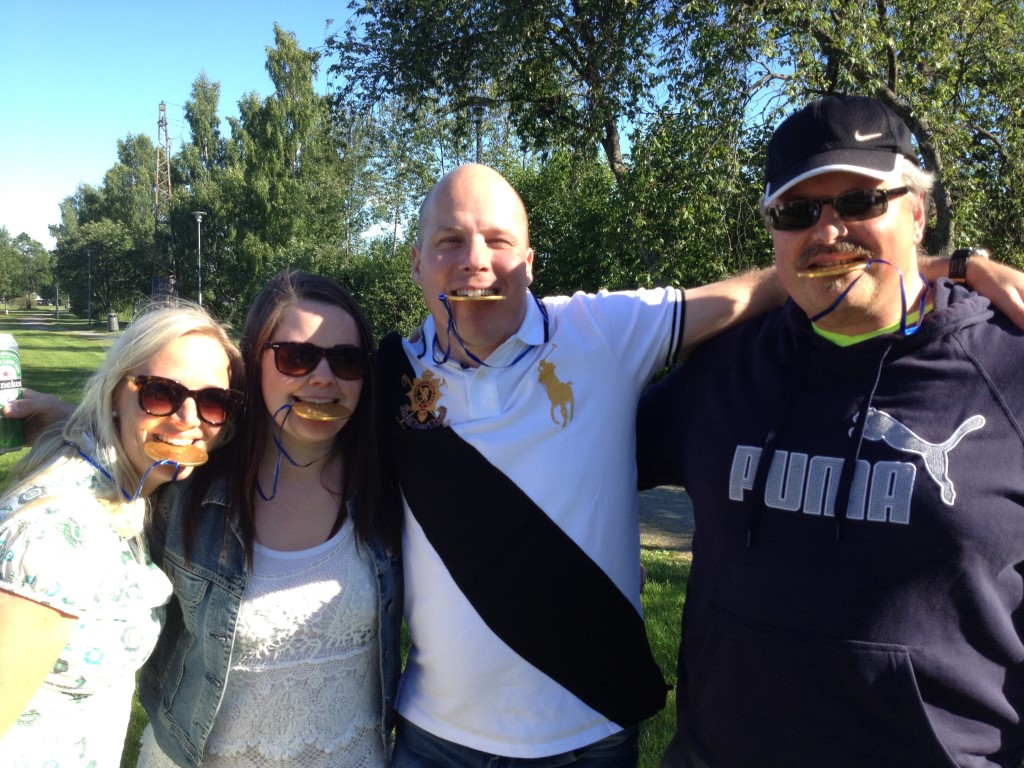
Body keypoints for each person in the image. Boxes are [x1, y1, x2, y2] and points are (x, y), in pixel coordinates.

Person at [637, 94, 1024, 768]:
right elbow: (576, 456)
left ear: (917, 212)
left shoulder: (1009, 366)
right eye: (797, 212)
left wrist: (956, 267)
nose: (828, 230)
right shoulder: (724, 368)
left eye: (859, 201)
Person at [135, 271, 402, 768]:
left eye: (346, 360)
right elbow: (115, 454)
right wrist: (66, 429)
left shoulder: (388, 488)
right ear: (254, 360)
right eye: (297, 357)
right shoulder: (186, 486)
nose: (323, 378)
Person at [0, 303, 244, 767]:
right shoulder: (58, 532)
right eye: (161, 393)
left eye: (213, 401)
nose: (188, 418)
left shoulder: (120, 489)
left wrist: (70, 418)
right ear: (115, 393)